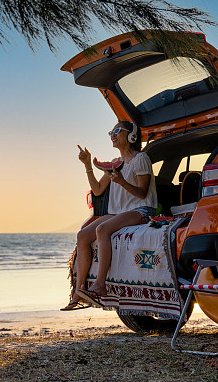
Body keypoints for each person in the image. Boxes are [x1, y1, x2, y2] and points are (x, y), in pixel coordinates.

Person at [62, 120, 158, 310]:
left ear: (131, 136)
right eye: (110, 132)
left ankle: (100, 285)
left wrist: (121, 182)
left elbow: (143, 193)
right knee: (82, 236)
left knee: (102, 229)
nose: (113, 135)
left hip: (142, 209)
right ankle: (79, 290)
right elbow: (97, 190)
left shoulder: (141, 159)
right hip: (118, 212)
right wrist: (87, 164)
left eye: (117, 131)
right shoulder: (115, 164)